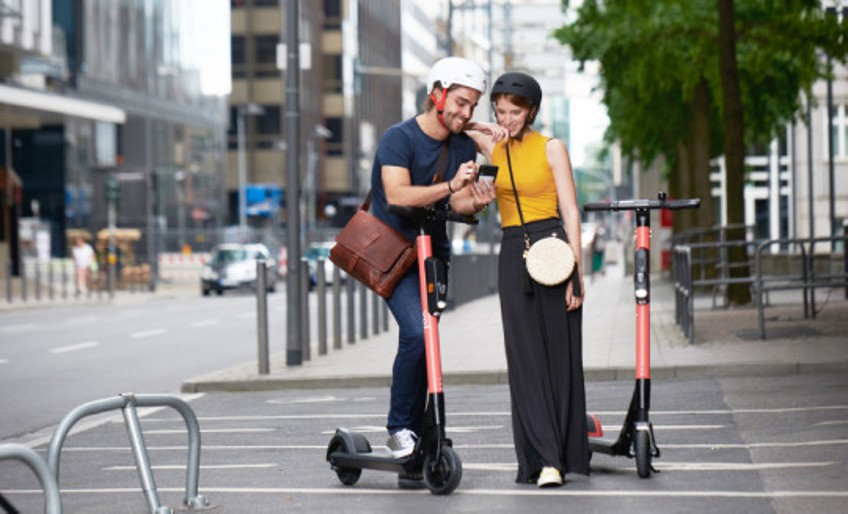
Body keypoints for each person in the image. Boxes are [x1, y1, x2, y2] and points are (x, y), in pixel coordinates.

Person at [369, 56, 506, 460]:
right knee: (416, 332)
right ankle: (399, 429)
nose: (466, 113)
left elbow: (460, 204)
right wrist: (450, 186)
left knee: (428, 340)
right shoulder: (399, 138)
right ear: (437, 94)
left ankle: (422, 429)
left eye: (473, 106)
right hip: (393, 253)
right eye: (461, 102)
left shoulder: (462, 144)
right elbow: (397, 195)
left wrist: (477, 200)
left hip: (434, 254)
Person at [468, 71, 589, 487]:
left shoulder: (552, 148)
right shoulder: (491, 145)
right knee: (524, 359)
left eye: (515, 111)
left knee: (559, 355)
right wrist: (481, 126)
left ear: (532, 110)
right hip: (512, 251)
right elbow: (452, 121)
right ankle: (541, 459)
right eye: (500, 110)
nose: (507, 118)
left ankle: (562, 455)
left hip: (553, 250)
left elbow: (571, 212)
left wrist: (577, 272)